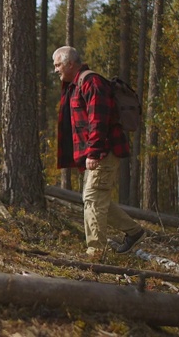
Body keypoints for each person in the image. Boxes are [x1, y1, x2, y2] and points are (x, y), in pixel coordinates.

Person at [52, 46, 146, 257]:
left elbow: (98, 119)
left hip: (103, 151)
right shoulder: (76, 85)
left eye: (58, 65)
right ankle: (134, 231)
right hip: (98, 152)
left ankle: (96, 253)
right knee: (95, 197)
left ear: (69, 63)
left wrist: (93, 152)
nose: (56, 70)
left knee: (93, 199)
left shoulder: (91, 82)